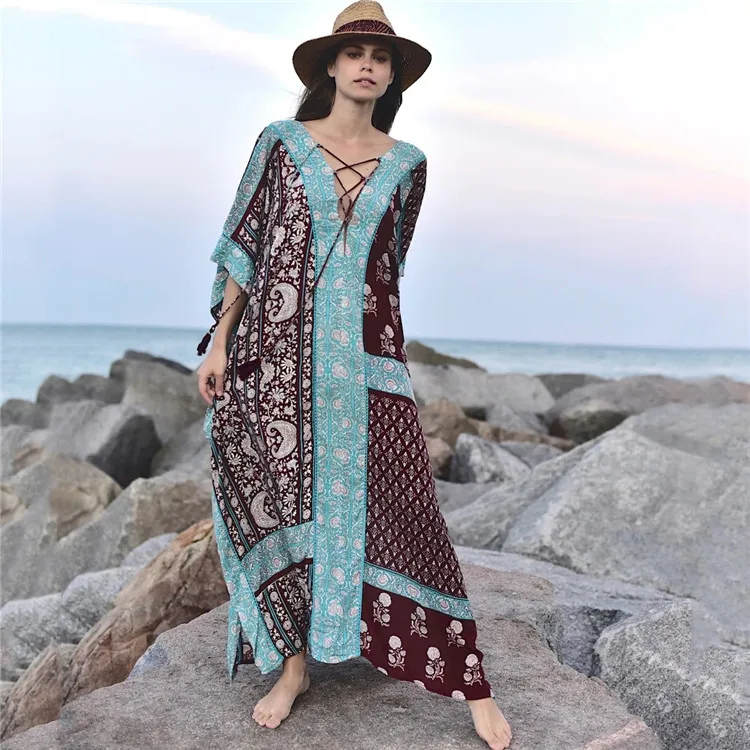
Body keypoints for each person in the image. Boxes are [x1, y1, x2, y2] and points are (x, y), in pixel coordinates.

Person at [195, 2, 512, 748]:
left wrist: (380, 356)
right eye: (355, 53)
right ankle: (294, 667)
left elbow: (386, 270)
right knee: (281, 504)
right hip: (274, 359)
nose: (367, 64)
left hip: (367, 364)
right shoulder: (280, 143)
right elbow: (246, 245)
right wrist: (220, 344)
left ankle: (471, 683)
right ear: (331, 67)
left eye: (381, 56)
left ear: (392, 75)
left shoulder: (408, 164)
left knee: (410, 510)